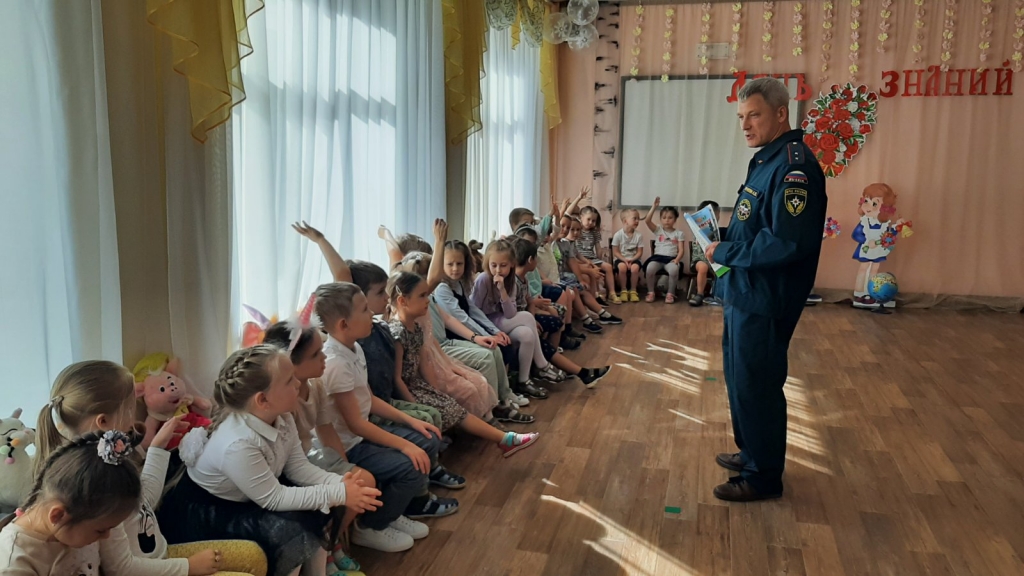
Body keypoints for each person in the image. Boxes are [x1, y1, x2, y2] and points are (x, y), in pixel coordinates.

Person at [704, 77, 826, 502]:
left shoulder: (795, 168)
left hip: (765, 297)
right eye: (741, 117)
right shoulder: (767, 159)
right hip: (743, 291)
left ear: (780, 113)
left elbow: (787, 242)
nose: (745, 125)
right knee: (740, 379)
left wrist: (726, 251)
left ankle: (763, 477)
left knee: (757, 383)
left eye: (753, 115)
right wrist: (722, 242)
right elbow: (755, 226)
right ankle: (751, 451)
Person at [158, 346, 383, 576]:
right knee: (289, 531)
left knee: (318, 507)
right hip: (216, 509)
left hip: (256, 491)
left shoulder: (282, 416)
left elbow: (299, 468)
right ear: (263, 399)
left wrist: (341, 484)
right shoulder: (238, 444)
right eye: (289, 380)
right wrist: (340, 493)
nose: (297, 384)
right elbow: (274, 498)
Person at [33, 361, 260, 576]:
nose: (133, 419)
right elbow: (122, 568)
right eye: (130, 410)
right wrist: (188, 566)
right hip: (149, 569)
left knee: (255, 557)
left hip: (160, 557)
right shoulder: (99, 481)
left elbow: (144, 501)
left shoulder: (113, 456)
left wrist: (157, 447)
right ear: (103, 422)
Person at [314, 282, 460, 553]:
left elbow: (369, 400)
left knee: (428, 438)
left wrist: (411, 421)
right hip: (350, 446)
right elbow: (356, 424)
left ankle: (394, 511)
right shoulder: (335, 364)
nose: (371, 313)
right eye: (364, 310)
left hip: (363, 434)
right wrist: (405, 445)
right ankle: (371, 526)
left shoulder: (354, 348)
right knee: (413, 465)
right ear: (344, 324)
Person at [386, 271, 541, 456]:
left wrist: (437, 392)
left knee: (455, 402)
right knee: (454, 406)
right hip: (409, 390)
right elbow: (397, 379)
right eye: (422, 296)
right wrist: (416, 407)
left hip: (419, 386)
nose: (427, 300)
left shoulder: (416, 327)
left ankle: (504, 436)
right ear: (403, 301)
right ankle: (505, 439)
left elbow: (424, 363)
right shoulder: (397, 333)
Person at [0, 431, 143, 575]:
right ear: (58, 515)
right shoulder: (13, 563)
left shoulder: (78, 523)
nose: (107, 536)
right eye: (101, 530)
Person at [642, 198, 685, 303]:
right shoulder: (658, 230)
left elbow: (681, 250)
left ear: (675, 219)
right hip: (657, 258)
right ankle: (651, 292)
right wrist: (654, 207)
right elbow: (647, 221)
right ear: (660, 219)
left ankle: (670, 294)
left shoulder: (679, 233)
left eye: (670, 218)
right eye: (664, 218)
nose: (667, 220)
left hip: (671, 259)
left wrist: (677, 260)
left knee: (674, 270)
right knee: (649, 268)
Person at [689, 200, 721, 307]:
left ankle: (718, 294)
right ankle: (699, 294)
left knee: (724, 268)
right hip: (699, 260)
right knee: (703, 267)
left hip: (714, 260)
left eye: (717, 215)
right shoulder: (698, 230)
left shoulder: (719, 231)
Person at [611, 209, 644, 303]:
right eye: (634, 218)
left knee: (635, 268)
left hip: (634, 258)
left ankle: (633, 290)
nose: (637, 221)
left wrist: (632, 260)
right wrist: (625, 260)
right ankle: (623, 290)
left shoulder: (639, 235)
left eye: (638, 219)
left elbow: (639, 252)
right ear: (625, 221)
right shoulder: (618, 235)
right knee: (622, 268)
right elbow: (616, 252)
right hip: (621, 258)